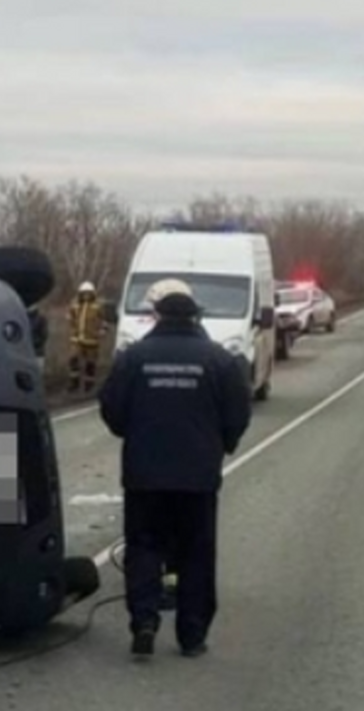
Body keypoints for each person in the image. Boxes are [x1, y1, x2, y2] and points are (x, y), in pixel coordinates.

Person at [98, 278, 253, 658]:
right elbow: (238, 413)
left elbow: (112, 409)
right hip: (198, 478)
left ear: (157, 316)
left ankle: (145, 621)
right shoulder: (220, 360)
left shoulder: (133, 359)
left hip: (144, 475)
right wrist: (221, 445)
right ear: (196, 316)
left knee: (144, 547)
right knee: (196, 554)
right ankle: (192, 635)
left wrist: (132, 434)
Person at [67, 281, 105, 394]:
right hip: (77, 339)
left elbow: (104, 320)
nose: (86, 296)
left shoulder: (98, 306)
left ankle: (89, 385)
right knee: (73, 360)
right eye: (84, 293)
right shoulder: (75, 305)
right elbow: (70, 318)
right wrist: (72, 327)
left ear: (92, 294)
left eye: (88, 293)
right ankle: (74, 383)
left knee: (90, 363)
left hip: (92, 340)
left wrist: (102, 331)